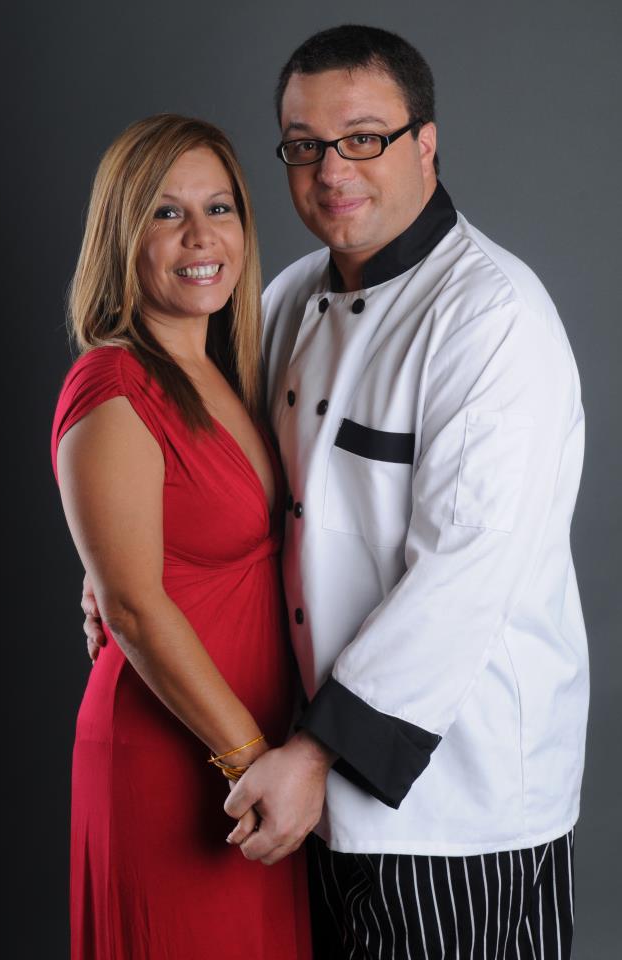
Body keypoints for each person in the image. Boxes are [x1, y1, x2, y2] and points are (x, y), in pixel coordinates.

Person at [83, 25, 589, 960]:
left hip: (453, 802)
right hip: (298, 795)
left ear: (425, 144)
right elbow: (211, 477)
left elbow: (463, 576)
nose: (330, 172)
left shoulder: (491, 316)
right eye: (304, 146)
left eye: (362, 138)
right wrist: (114, 568)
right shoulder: (281, 302)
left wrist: (312, 756)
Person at [52, 114, 312, 960]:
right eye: (167, 213)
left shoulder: (232, 369)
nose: (201, 237)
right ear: (122, 236)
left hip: (256, 756)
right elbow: (131, 604)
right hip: (178, 756)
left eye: (219, 208)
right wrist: (248, 760)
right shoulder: (111, 381)